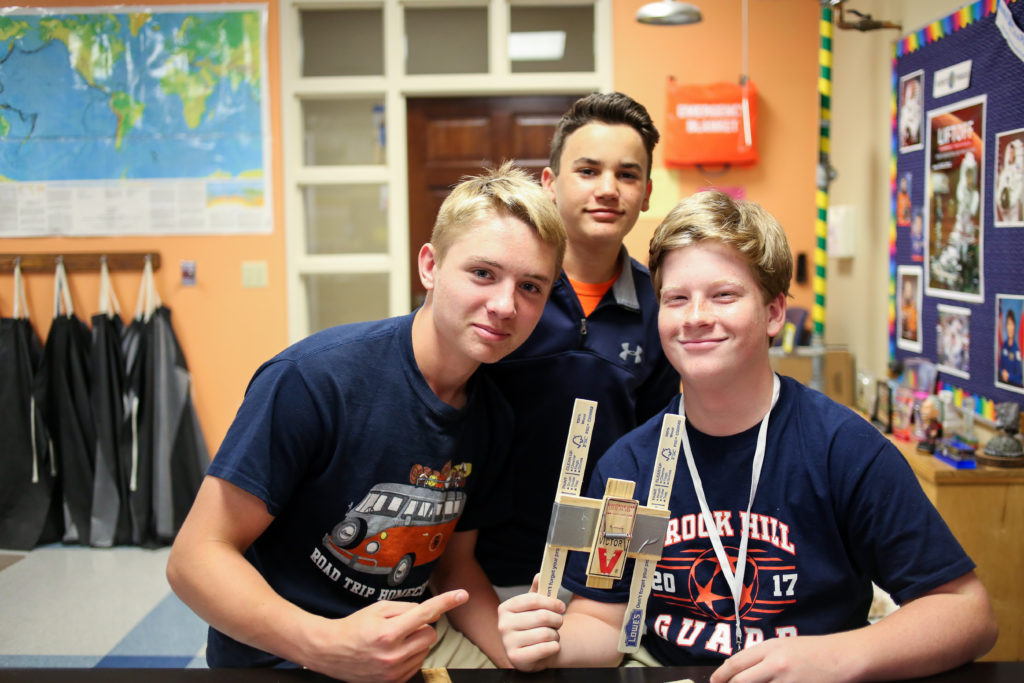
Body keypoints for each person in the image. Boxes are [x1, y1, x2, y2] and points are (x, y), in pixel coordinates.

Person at [498, 190, 997, 681]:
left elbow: (966, 613)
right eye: (676, 299)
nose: (696, 317)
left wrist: (838, 657)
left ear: (774, 312)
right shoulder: (629, 468)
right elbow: (606, 624)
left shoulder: (843, 449)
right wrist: (548, 639)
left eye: (724, 295)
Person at [166, 162, 567, 682]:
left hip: (406, 648)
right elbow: (194, 559)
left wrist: (510, 652)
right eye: (483, 273)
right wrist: (326, 644)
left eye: (531, 287)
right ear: (430, 266)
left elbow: (453, 563)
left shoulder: (492, 415)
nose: (504, 305)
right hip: (281, 652)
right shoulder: (314, 379)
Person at [475, 92, 680, 597]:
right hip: (483, 568)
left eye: (627, 175)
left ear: (647, 192)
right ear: (550, 183)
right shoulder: (502, 297)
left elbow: (660, 452)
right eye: (587, 171)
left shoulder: (665, 310)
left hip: (604, 574)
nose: (608, 189)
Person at [999, 307, 1022, 386]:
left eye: (1012, 324)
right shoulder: (1004, 345)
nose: (1010, 327)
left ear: (1014, 326)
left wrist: (1009, 376)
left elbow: (1019, 378)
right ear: (1006, 326)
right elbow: (1000, 366)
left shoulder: (1017, 350)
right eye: (1008, 324)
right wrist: (1003, 372)